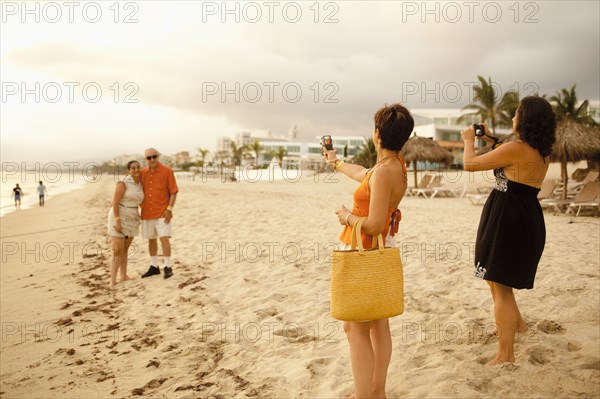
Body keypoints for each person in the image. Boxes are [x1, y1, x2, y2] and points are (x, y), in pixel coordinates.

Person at [323, 103, 412, 399]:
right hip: (379, 250)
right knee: (378, 322)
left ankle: (365, 395)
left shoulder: (385, 171)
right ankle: (377, 392)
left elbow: (373, 224)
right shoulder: (394, 165)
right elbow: (364, 174)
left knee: (354, 328)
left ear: (377, 134)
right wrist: (336, 163)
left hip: (364, 249)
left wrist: (347, 217)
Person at [461, 96, 556, 365]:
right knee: (496, 277)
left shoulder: (516, 148)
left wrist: (469, 141)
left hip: (508, 220)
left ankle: (505, 355)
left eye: (517, 113)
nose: (513, 117)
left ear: (525, 120)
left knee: (500, 285)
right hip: (523, 217)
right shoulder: (541, 151)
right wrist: (491, 140)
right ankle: (517, 326)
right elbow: (510, 158)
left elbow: (470, 165)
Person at [140, 148, 179, 279]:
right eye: (149, 158)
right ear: (146, 159)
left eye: (154, 156)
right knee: (151, 240)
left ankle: (168, 267)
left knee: (164, 239)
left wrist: (169, 208)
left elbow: (174, 192)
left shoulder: (168, 171)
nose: (152, 160)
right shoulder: (142, 173)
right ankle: (154, 266)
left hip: (163, 212)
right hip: (147, 212)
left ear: (158, 156)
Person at [107, 160, 144, 289]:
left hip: (133, 217)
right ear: (128, 170)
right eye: (133, 168)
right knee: (117, 250)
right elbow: (115, 202)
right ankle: (112, 281)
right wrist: (117, 220)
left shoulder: (140, 184)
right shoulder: (123, 183)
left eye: (138, 167)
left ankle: (123, 275)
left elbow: (141, 202)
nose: (136, 170)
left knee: (125, 249)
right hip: (119, 216)